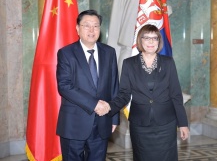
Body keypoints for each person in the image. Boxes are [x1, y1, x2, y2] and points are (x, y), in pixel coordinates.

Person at [97, 24, 190, 161]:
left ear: (159, 41)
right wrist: (109, 107)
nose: (151, 42)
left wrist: (183, 123)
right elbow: (124, 94)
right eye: (146, 38)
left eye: (155, 38)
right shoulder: (129, 63)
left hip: (166, 124)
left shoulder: (168, 62)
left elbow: (176, 95)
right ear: (140, 41)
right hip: (140, 125)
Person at [56, 9, 119, 161]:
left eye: (96, 26)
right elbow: (64, 86)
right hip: (74, 124)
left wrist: (114, 117)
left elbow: (114, 87)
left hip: (102, 122)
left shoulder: (109, 52)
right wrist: (94, 104)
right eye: (86, 25)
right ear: (77, 28)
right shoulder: (66, 53)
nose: (92, 30)